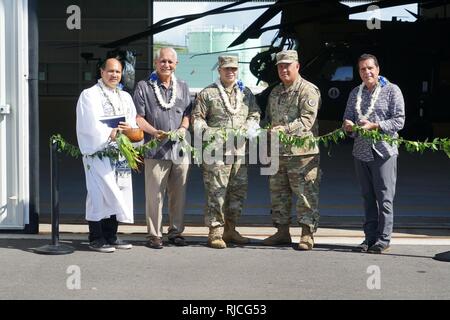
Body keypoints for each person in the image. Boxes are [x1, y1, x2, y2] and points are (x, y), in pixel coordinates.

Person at [191, 55, 260, 249]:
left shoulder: (246, 93)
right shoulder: (208, 94)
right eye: (226, 69)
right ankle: (215, 231)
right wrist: (214, 134)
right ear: (219, 70)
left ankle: (231, 229)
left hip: (239, 152)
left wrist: (249, 125)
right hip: (216, 154)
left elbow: (255, 113)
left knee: (237, 192)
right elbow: (197, 120)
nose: (230, 72)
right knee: (216, 192)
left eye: (234, 69)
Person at [343, 53, 405, 254]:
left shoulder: (391, 90)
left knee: (384, 197)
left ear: (377, 69)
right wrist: (348, 125)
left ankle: (383, 239)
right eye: (362, 69)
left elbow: (399, 121)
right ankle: (369, 237)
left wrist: (376, 126)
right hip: (361, 152)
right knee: (367, 197)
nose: (367, 72)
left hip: (384, 152)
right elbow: (347, 118)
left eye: (370, 68)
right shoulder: (355, 93)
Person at [262, 50, 321, 251]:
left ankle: (306, 233)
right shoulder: (275, 92)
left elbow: (307, 120)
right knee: (278, 194)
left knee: (305, 194)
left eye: (288, 65)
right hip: (278, 153)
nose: (284, 69)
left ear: (297, 66)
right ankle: (282, 232)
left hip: (302, 154)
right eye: (280, 66)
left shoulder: (308, 90)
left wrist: (285, 130)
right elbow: (269, 119)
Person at [133, 47, 191, 249]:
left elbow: (187, 113)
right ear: (156, 63)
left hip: (179, 150)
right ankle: (154, 235)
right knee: (155, 194)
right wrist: (154, 132)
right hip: (155, 150)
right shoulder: (143, 86)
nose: (166, 65)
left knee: (179, 194)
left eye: (170, 62)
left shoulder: (183, 86)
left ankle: (176, 232)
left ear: (176, 64)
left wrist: (184, 128)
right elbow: (138, 118)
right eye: (162, 61)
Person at [76, 57, 136, 253]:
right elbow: (89, 124)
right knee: (98, 193)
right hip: (98, 153)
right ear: (101, 72)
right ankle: (96, 237)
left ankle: (111, 236)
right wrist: (109, 133)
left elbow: (133, 122)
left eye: (118, 72)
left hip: (119, 154)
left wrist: (129, 130)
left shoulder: (125, 96)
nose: (114, 75)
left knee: (118, 191)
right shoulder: (89, 95)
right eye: (110, 71)